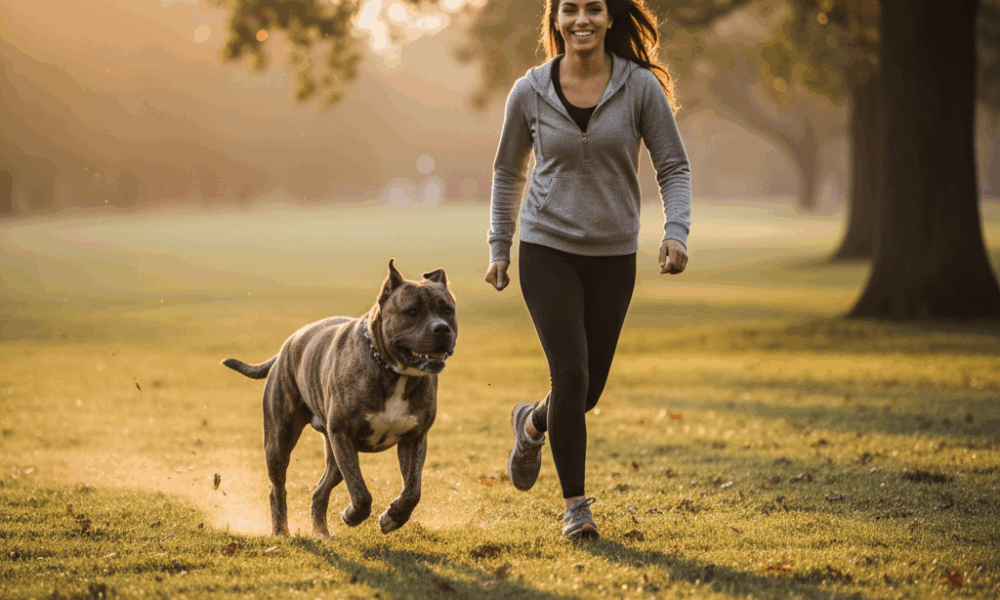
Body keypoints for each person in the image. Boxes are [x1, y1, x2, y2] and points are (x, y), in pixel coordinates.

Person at [484, 0, 691, 539]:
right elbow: (509, 171)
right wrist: (500, 247)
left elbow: (672, 165)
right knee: (571, 375)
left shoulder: (639, 87)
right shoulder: (529, 91)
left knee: (586, 392)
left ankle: (531, 423)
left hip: (614, 255)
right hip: (546, 247)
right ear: (555, 19)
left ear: (610, 17)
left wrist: (676, 232)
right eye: (570, 9)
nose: (582, 19)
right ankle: (577, 508)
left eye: (593, 8)